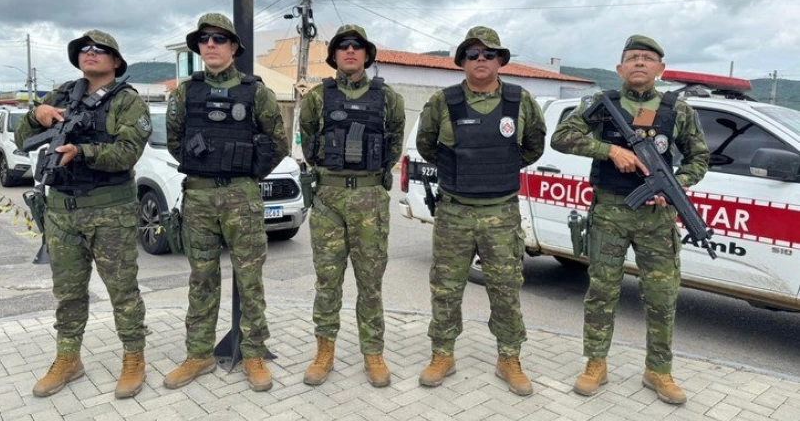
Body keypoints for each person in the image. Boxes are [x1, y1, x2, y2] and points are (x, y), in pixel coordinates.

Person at [550, 35, 709, 405]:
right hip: (610, 212)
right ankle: (595, 364)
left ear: (660, 69)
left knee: (662, 296)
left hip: (657, 217)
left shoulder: (678, 110)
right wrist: (610, 150)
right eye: (632, 57)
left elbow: (699, 160)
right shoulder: (600, 104)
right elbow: (562, 137)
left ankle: (659, 370)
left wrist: (674, 186)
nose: (640, 62)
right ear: (620, 68)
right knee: (602, 291)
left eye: (648, 58)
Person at [15, 30, 151, 399]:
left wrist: (84, 152)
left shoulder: (127, 101)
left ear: (116, 61)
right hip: (61, 211)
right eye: (85, 49)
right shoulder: (60, 94)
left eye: (100, 49)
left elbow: (126, 152)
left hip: (110, 210)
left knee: (123, 292)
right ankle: (68, 358)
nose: (91, 54)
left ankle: (134, 358)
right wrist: (36, 113)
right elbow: (20, 138)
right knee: (68, 293)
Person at [415, 26, 546, 395]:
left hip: (501, 213)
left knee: (506, 290)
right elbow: (427, 145)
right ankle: (442, 354)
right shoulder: (444, 101)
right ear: (462, 62)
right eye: (473, 54)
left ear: (500, 60)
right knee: (445, 288)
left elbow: (533, 146)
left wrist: (498, 166)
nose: (481, 60)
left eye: (489, 54)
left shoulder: (521, 101)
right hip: (454, 212)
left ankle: (509, 358)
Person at [164, 13, 288, 393]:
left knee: (250, 279)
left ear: (234, 47)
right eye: (205, 39)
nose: (212, 45)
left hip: (241, 196)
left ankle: (252, 353)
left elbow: (278, 141)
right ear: (198, 47)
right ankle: (199, 353)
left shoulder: (256, 92)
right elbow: (174, 139)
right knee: (201, 277)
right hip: (199, 195)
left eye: (220, 38)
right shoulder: (187, 92)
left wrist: (248, 173)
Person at [299, 24, 405, 388]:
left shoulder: (389, 99)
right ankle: (324, 351)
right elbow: (310, 145)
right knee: (327, 281)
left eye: (357, 46)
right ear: (333, 55)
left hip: (370, 200)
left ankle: (373, 353)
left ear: (367, 54)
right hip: (328, 200)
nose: (349, 51)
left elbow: (393, 148)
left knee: (370, 283)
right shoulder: (316, 98)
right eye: (342, 46)